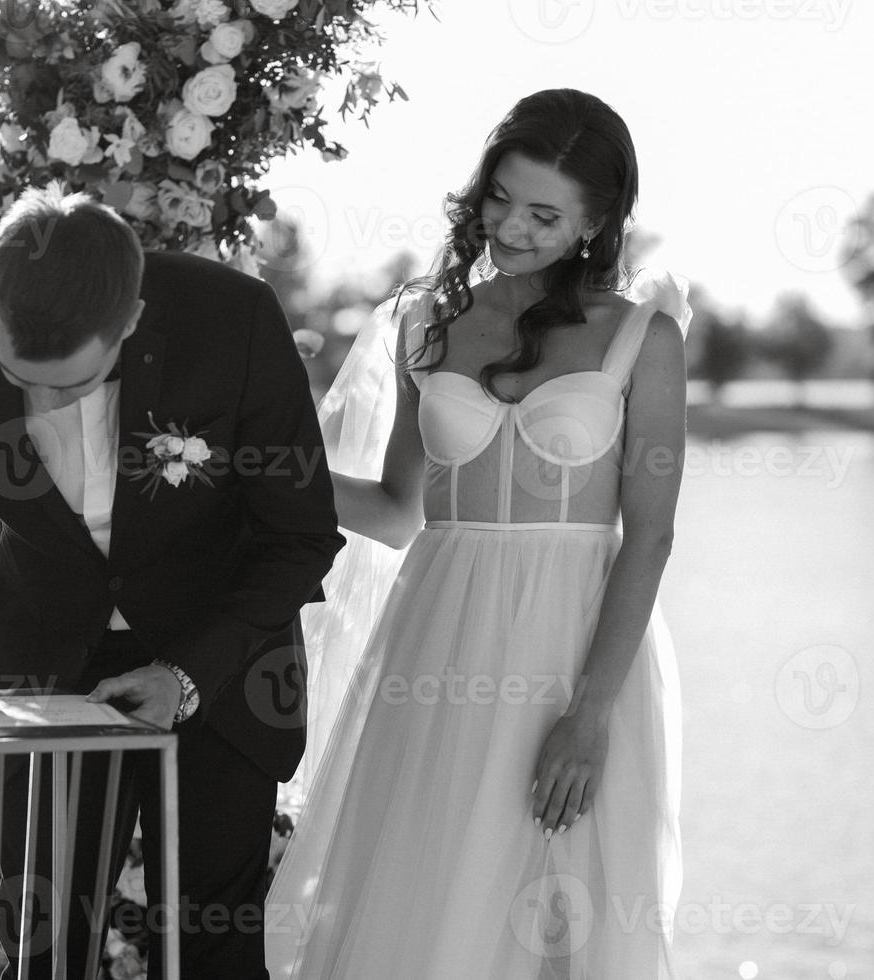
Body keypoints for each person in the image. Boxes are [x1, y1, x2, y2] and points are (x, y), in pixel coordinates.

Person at [0, 187, 344, 979]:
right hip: (48, 660)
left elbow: (301, 534)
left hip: (225, 666)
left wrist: (188, 673)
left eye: (75, 385)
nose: (48, 405)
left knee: (211, 945)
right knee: (41, 944)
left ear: (132, 319)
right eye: (25, 379)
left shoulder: (234, 320)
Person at [265, 88, 690, 977]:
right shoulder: (426, 321)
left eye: (545, 214)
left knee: (560, 916)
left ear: (595, 221)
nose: (513, 227)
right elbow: (395, 510)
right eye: (500, 198)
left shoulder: (641, 338)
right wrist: (259, 466)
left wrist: (590, 713)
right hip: (436, 643)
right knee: (424, 893)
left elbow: (648, 538)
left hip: (576, 653)